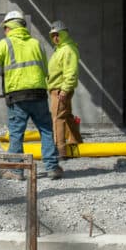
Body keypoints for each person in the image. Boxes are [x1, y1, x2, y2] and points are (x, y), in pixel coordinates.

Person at [0, 10, 61, 180]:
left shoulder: (5, 44)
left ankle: (16, 170)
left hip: (17, 97)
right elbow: (44, 69)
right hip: (39, 94)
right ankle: (52, 168)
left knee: (16, 134)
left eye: (5, 28)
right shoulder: (37, 44)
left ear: (9, 27)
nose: (4, 31)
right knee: (46, 130)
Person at [47, 20, 83, 170]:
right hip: (59, 89)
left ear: (63, 34)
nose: (55, 37)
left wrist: (64, 89)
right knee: (66, 115)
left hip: (60, 90)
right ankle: (76, 142)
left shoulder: (67, 49)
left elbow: (71, 72)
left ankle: (60, 150)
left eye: (57, 34)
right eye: (53, 35)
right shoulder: (61, 49)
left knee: (57, 118)